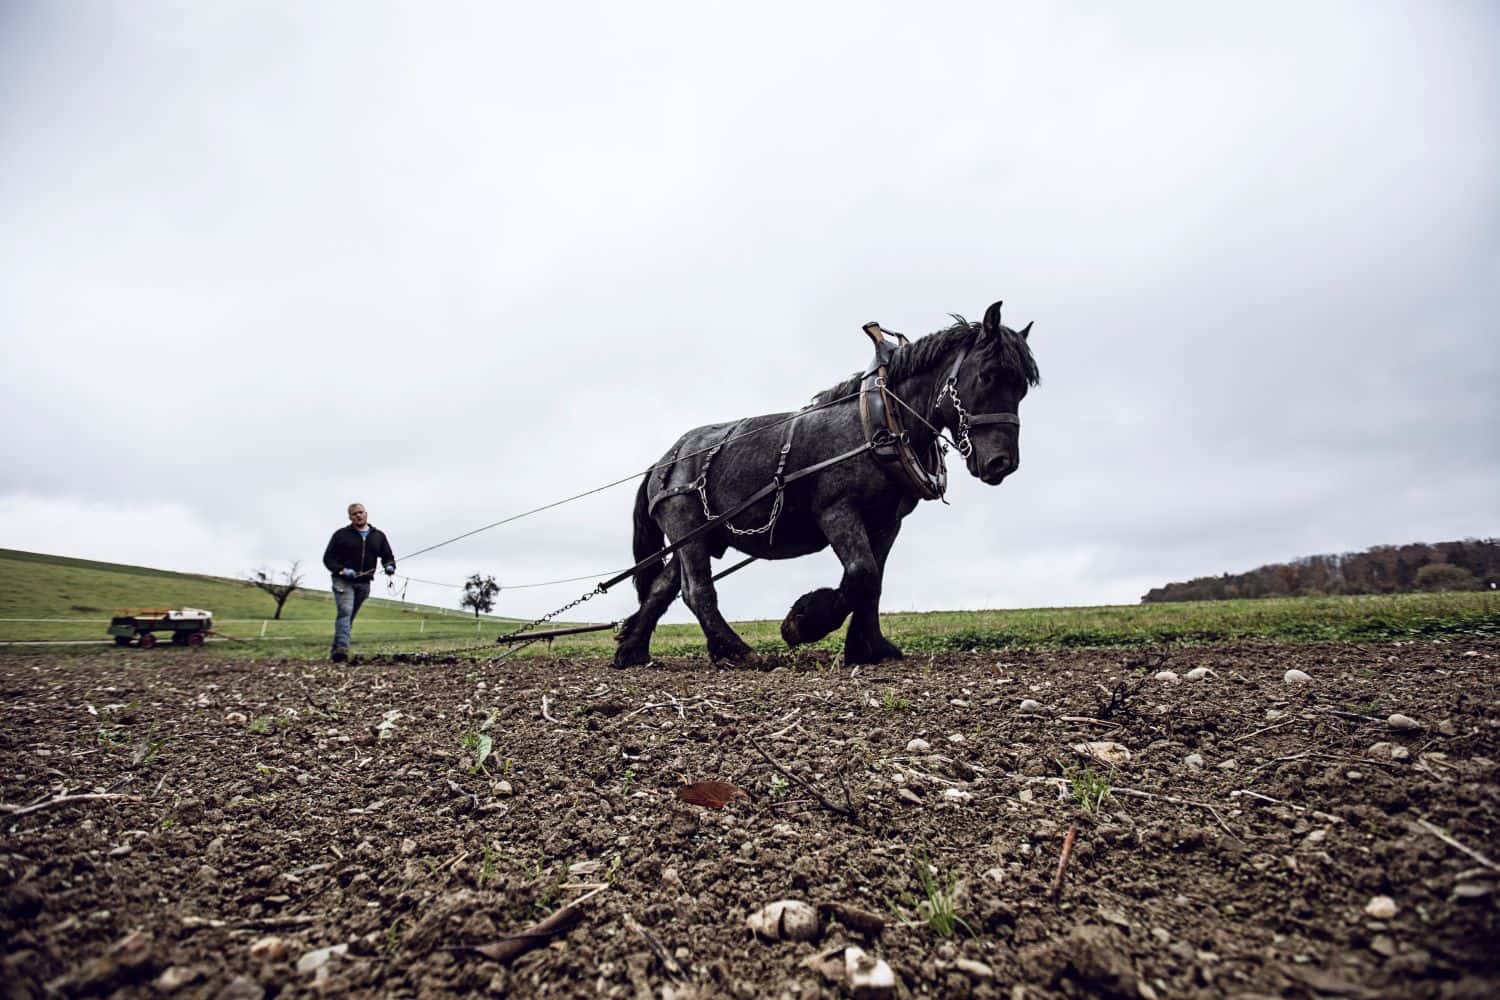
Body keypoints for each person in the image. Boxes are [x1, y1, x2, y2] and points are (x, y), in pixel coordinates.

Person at [322, 502, 396, 662]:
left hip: (364, 583)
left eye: (361, 512)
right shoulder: (341, 535)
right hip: (343, 581)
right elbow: (328, 559)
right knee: (345, 612)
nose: (358, 515)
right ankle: (342, 648)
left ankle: (336, 650)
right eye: (354, 513)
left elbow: (387, 556)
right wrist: (342, 570)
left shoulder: (378, 536)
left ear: (366, 514)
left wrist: (389, 566)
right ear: (350, 517)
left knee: (349, 616)